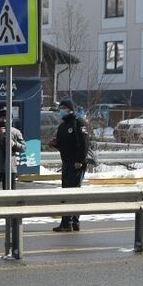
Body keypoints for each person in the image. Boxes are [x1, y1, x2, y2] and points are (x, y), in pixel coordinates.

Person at [50, 98, 88, 232]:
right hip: (66, 163)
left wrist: (80, 160)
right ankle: (70, 221)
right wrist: (56, 144)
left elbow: (83, 144)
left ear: (70, 109)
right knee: (67, 192)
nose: (61, 111)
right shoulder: (63, 126)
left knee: (73, 192)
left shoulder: (78, 123)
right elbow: (64, 145)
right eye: (60, 109)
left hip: (76, 163)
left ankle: (69, 222)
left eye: (63, 108)